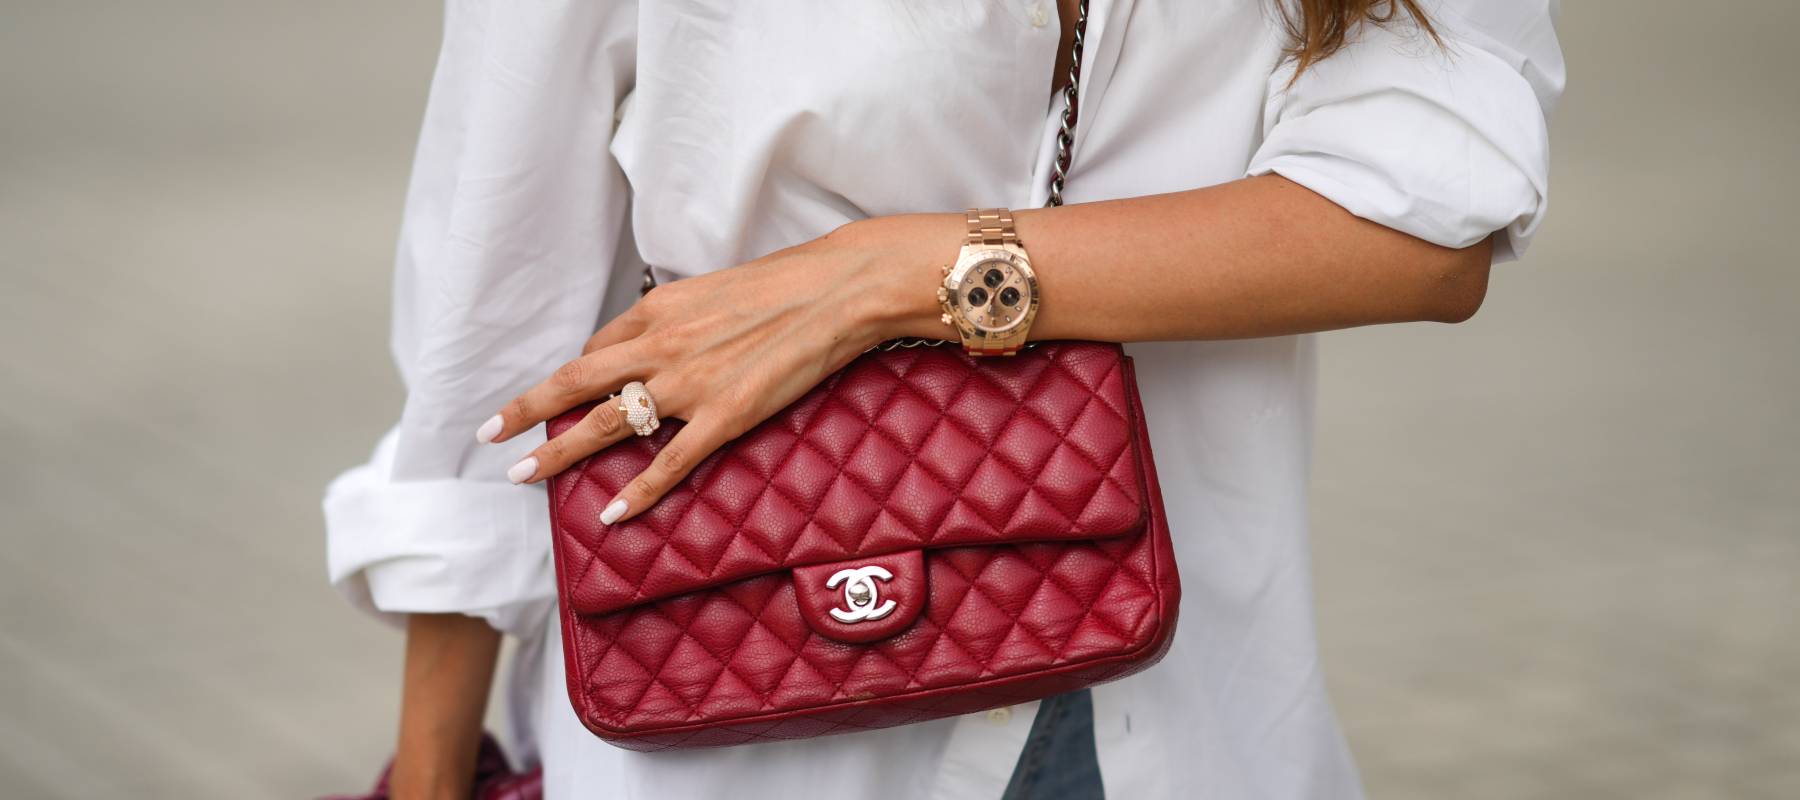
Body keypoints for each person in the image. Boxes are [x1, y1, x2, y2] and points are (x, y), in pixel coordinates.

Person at [324, 1, 1564, 797]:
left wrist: (885, 276)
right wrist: (432, 764)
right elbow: (493, 323)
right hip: (739, 722)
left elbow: (1419, 220)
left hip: (1186, 703)